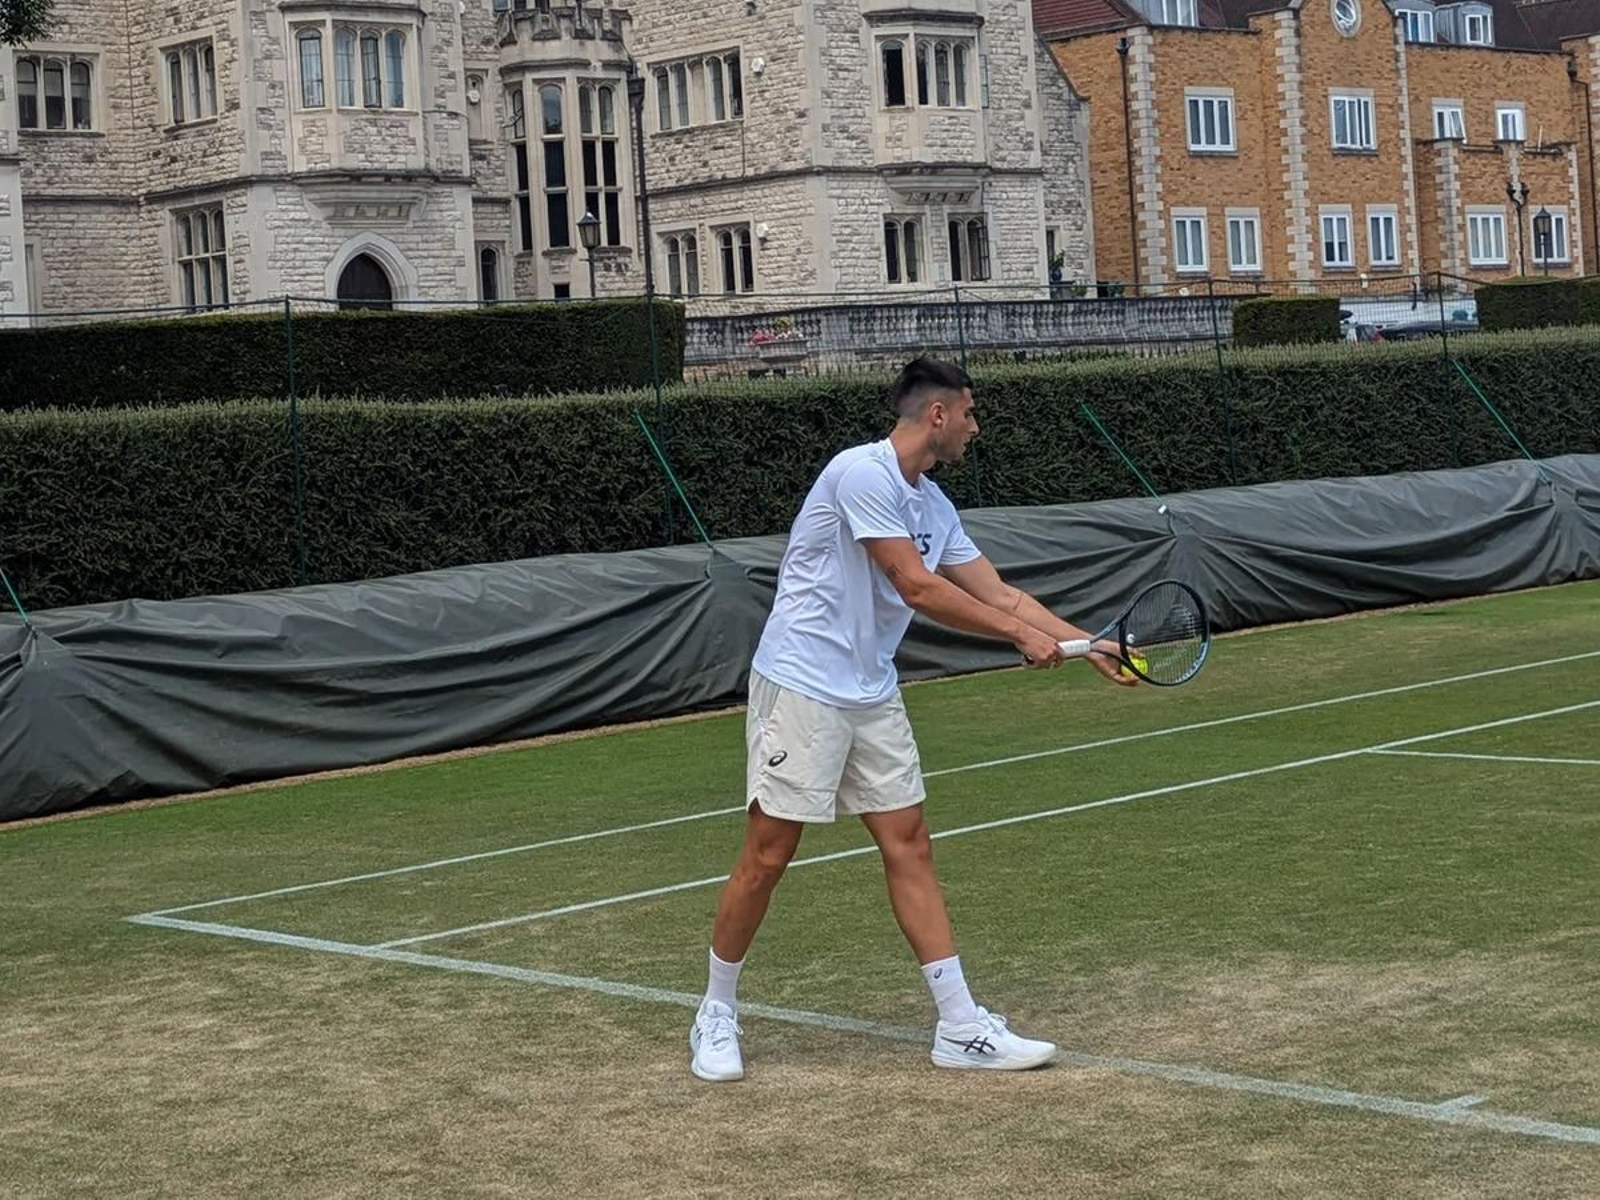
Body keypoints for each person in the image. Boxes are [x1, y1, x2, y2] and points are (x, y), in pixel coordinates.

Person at [689, 356, 1136, 1083]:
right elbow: (915, 586)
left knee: (910, 843)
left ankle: (959, 1026)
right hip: (803, 683)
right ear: (937, 415)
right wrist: (1017, 637)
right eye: (969, 413)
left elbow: (1005, 596)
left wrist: (1087, 643)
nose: (974, 427)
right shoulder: (860, 473)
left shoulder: (934, 505)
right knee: (769, 854)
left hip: (871, 689)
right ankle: (715, 1011)